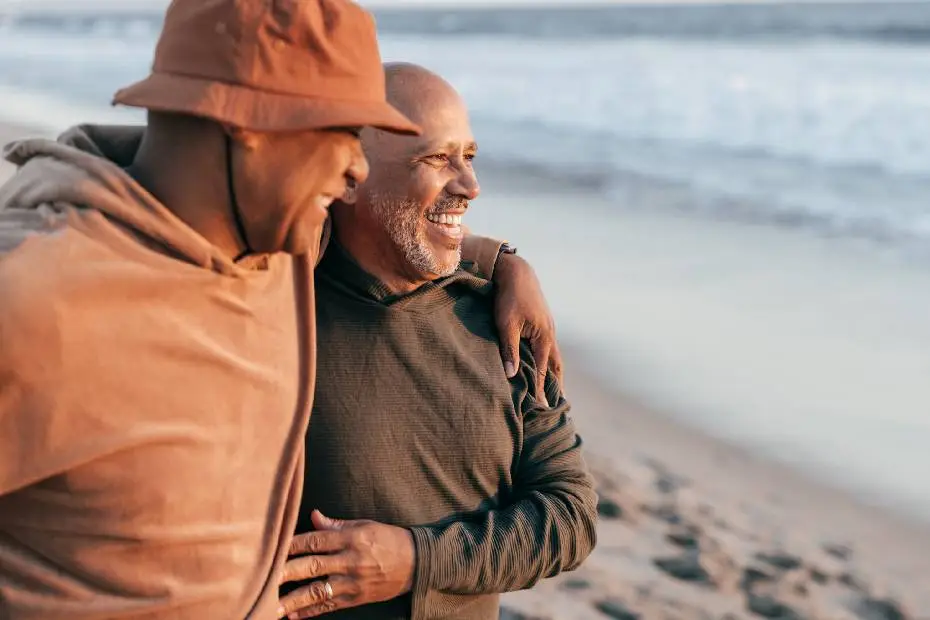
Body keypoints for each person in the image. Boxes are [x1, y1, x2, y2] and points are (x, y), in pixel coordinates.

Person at [0, 3, 559, 619]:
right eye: (343, 135)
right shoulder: (35, 303)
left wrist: (501, 259)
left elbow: (389, 227)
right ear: (249, 127)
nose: (354, 171)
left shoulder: (280, 250)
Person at [277, 63, 597, 620]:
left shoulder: (501, 327)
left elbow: (570, 516)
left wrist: (417, 560)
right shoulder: (276, 310)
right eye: (436, 158)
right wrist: (496, 254)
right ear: (348, 174)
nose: (470, 186)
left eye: (468, 156)